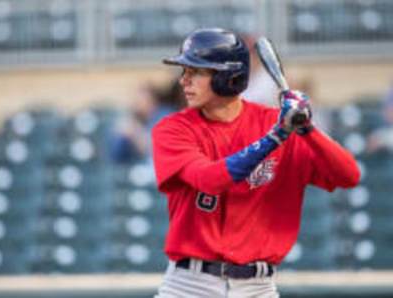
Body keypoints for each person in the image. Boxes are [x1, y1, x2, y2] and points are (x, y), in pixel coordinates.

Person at [151, 28, 360, 298]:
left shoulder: (275, 123)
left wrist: (308, 128)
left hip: (258, 287)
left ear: (228, 77)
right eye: (185, 71)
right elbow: (211, 180)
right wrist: (276, 137)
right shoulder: (173, 128)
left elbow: (348, 175)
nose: (184, 81)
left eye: (197, 72)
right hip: (190, 286)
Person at [109, 81, 184, 165]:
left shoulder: (166, 116)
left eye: (140, 100)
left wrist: (135, 132)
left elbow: (158, 151)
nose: (136, 104)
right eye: (135, 100)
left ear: (152, 100)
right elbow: (116, 157)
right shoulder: (135, 118)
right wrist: (121, 136)